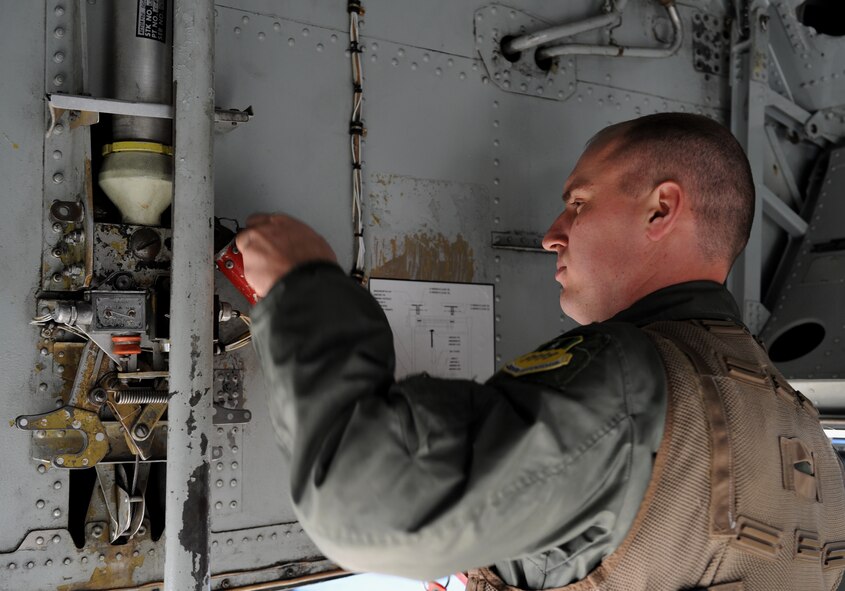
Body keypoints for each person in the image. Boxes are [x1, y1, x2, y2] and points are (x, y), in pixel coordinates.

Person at [236, 113, 845, 590]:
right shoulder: (801, 431)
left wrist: (303, 284)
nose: (552, 233)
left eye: (578, 202)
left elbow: (358, 495)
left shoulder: (629, 377)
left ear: (662, 208)